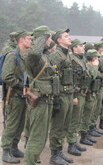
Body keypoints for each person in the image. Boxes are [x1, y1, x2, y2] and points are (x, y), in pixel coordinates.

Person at [23, 26, 56, 165]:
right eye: (49, 37)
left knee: (41, 137)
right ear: (43, 38)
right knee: (36, 137)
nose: (51, 40)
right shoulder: (33, 55)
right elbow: (34, 54)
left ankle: (35, 161)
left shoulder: (43, 56)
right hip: (39, 101)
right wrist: (43, 37)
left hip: (46, 100)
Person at [1, 29, 32, 164]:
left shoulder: (24, 56)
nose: (31, 41)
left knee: (20, 124)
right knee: (12, 124)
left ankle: (14, 147)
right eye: (29, 39)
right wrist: (21, 86)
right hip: (14, 95)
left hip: (22, 96)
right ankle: (5, 151)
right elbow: (6, 76)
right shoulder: (13, 56)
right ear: (21, 40)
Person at [49, 29, 74, 165]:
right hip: (61, 96)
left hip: (69, 94)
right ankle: (54, 155)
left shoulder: (67, 55)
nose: (69, 38)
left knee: (65, 125)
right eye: (66, 36)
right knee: (57, 126)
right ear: (58, 40)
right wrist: (56, 99)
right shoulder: (56, 56)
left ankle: (59, 151)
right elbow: (53, 78)